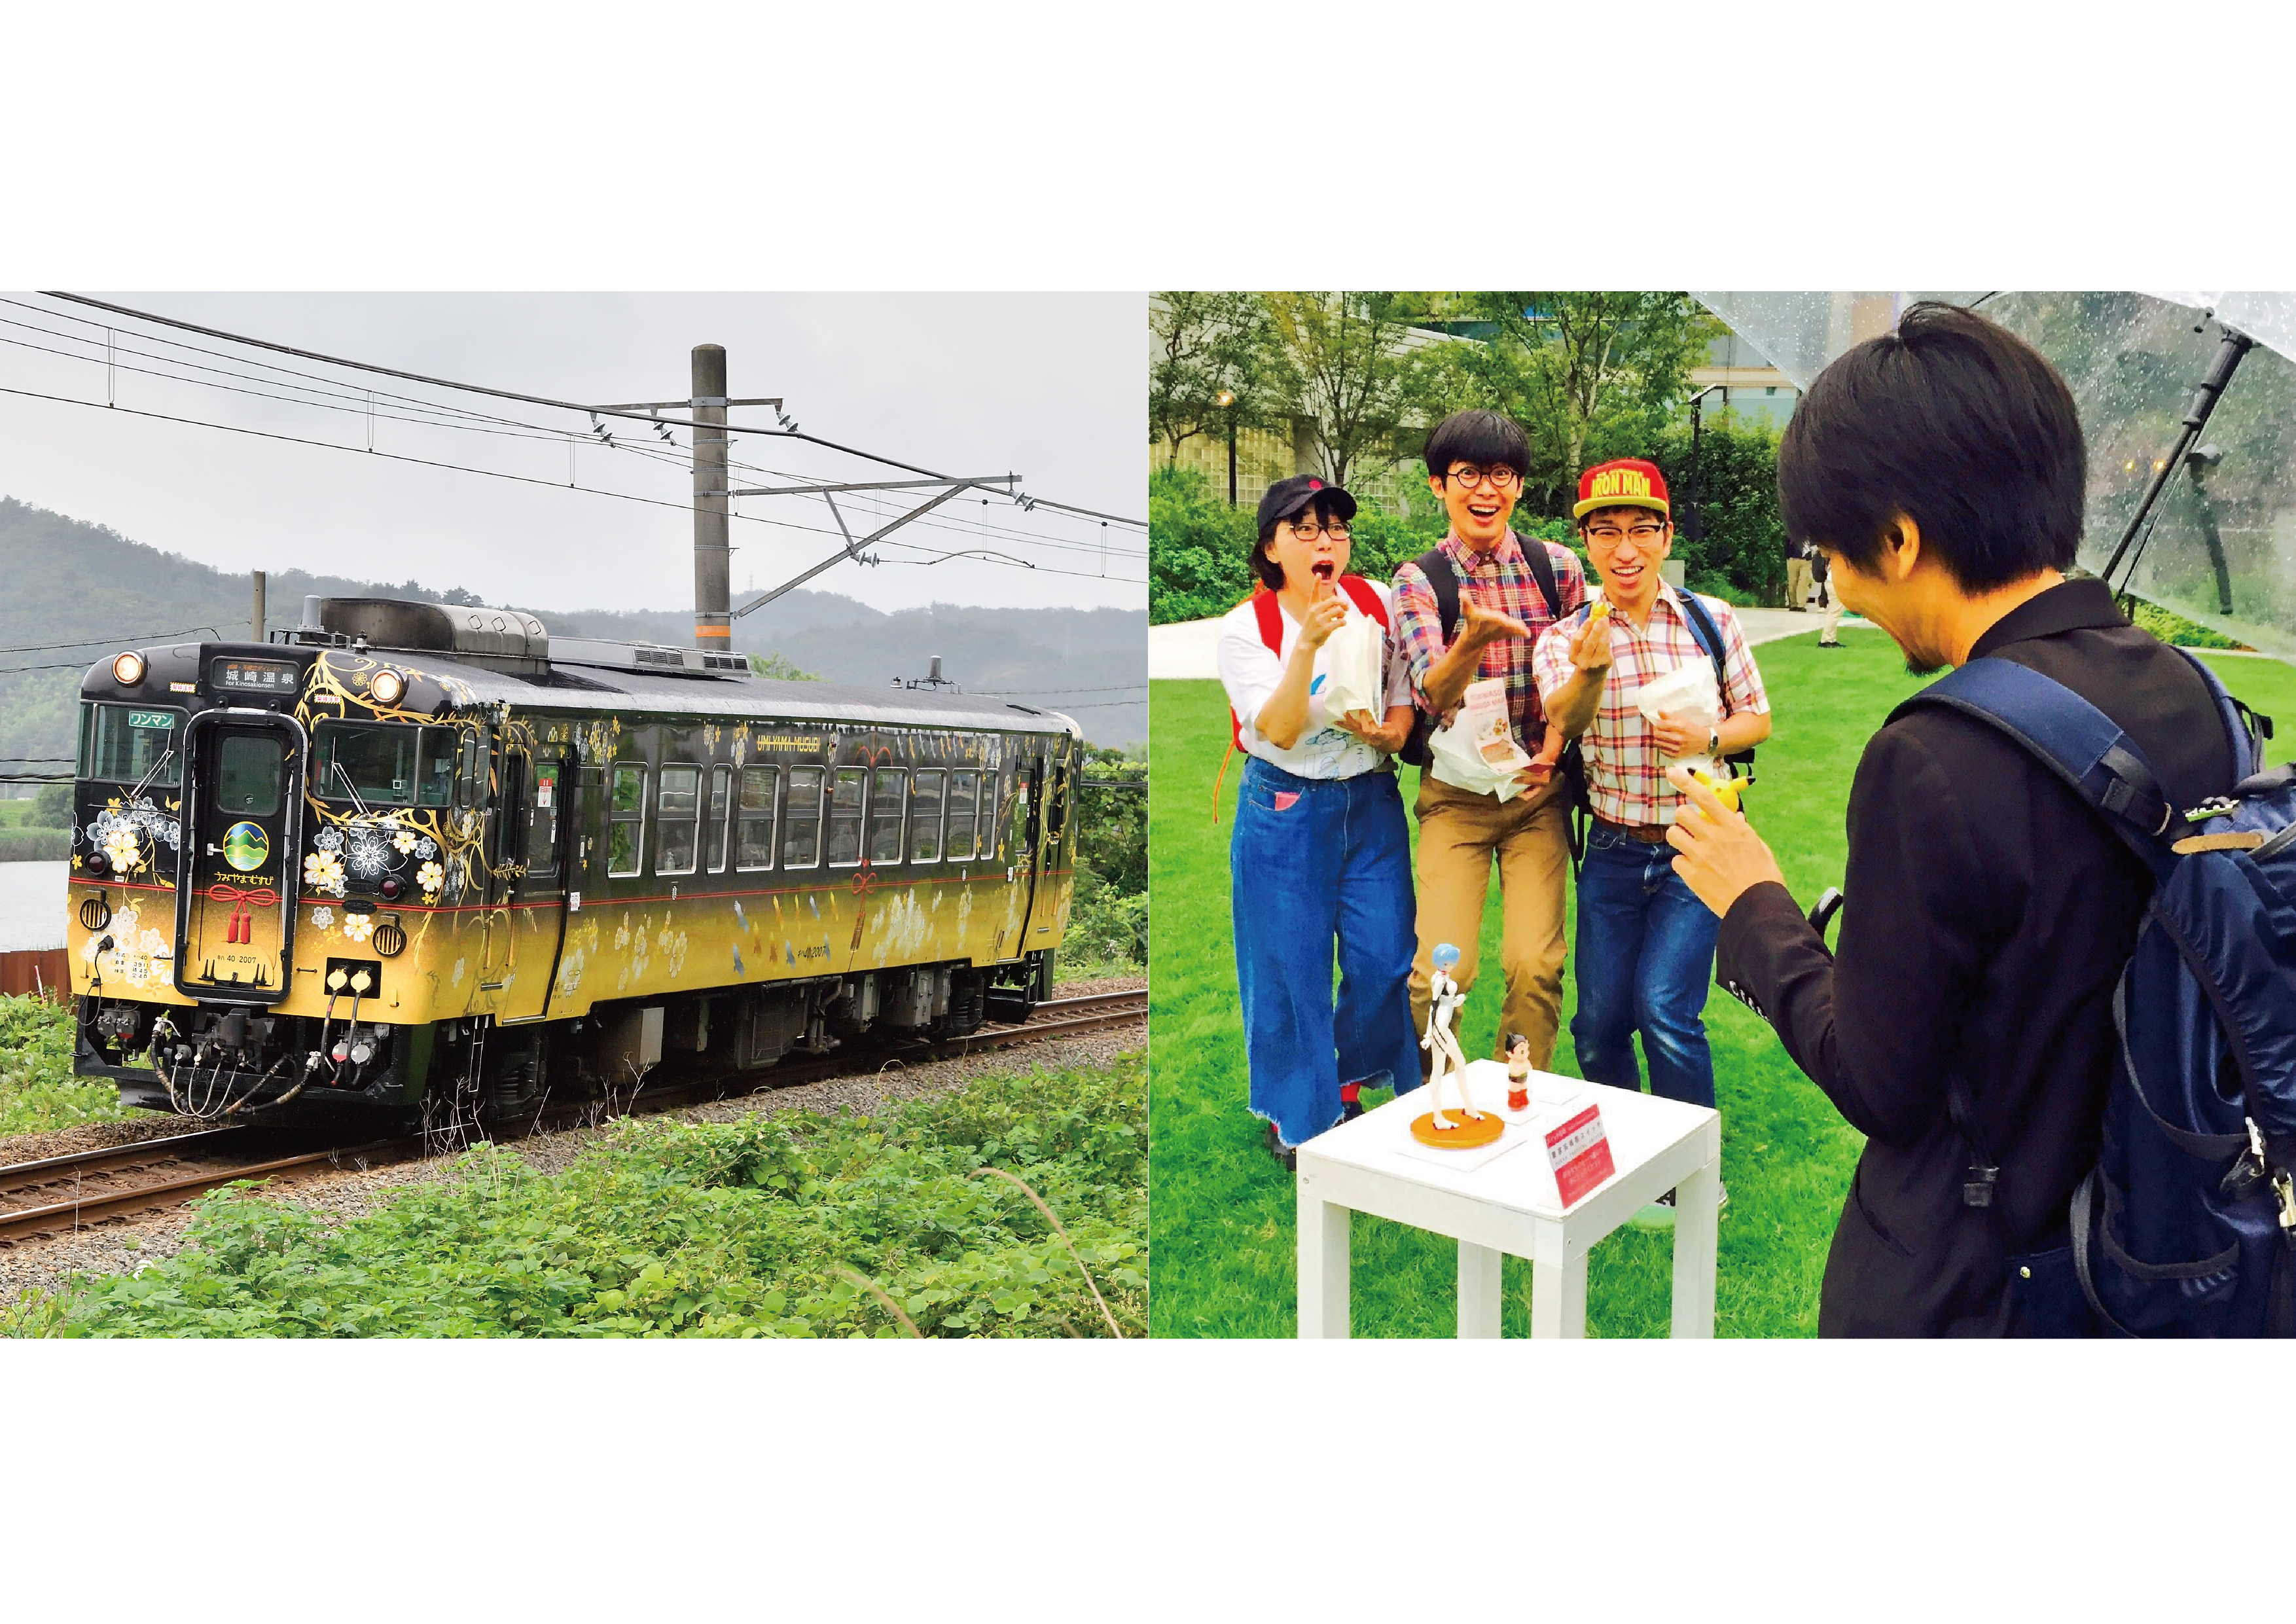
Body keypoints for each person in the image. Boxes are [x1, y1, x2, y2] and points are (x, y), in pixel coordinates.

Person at [1665, 301, 2240, 1336]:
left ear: (1899, 537)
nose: (1833, 581)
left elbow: (1882, 1081)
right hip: (2159, 1251)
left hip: (1974, 1285)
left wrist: (1752, 901)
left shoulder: (1933, 756)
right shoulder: (2195, 695)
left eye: (1833, 553)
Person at [1534, 458, 1770, 1216]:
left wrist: (1709, 731)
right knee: (1599, 1022)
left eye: (1641, 529)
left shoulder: (1711, 619)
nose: (1624, 548)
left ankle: (1695, 1181)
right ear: (1587, 544)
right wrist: (1592, 673)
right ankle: (1630, 1164)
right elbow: (1563, 724)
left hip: (1698, 841)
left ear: (1666, 535)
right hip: (1611, 847)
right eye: (1606, 532)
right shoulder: (1566, 637)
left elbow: (1755, 719)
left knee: (1664, 1007)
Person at [1217, 474, 1420, 1170]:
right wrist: (1305, 645)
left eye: (1333, 528)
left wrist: (1390, 733)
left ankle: (1344, 1075)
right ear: (1272, 548)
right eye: (1302, 529)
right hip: (1285, 808)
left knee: (1385, 956)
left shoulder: (1376, 602)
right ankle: (1300, 1118)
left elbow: (1400, 697)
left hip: (1368, 801)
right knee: (1289, 968)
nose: (1322, 541)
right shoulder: (1249, 628)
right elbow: (1270, 730)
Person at [1391, 410, 1588, 1074]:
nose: (1485, 490)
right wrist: (1472, 639)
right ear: (1437, 486)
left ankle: (1519, 1091)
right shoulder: (1420, 581)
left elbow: (1576, 677)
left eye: (1500, 474)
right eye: (1467, 474)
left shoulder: (1556, 569)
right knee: (1441, 972)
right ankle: (1440, 1100)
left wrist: (1552, 754)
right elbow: (1434, 693)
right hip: (1457, 800)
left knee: (1534, 964)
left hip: (1537, 795)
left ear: (1520, 486)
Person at [1812, 547, 1843, 648]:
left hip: (1831, 582)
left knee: (1835, 612)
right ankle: (1826, 640)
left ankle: (1831, 639)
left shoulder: (1832, 553)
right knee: (1835, 612)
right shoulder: (1838, 555)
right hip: (1834, 583)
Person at [1785, 541, 1814, 613]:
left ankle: (1801, 605)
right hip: (1793, 558)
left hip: (1806, 560)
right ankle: (1794, 604)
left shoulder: (1809, 533)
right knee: (1793, 582)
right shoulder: (1792, 531)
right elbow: (1786, 543)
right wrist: (1788, 556)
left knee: (1803, 582)